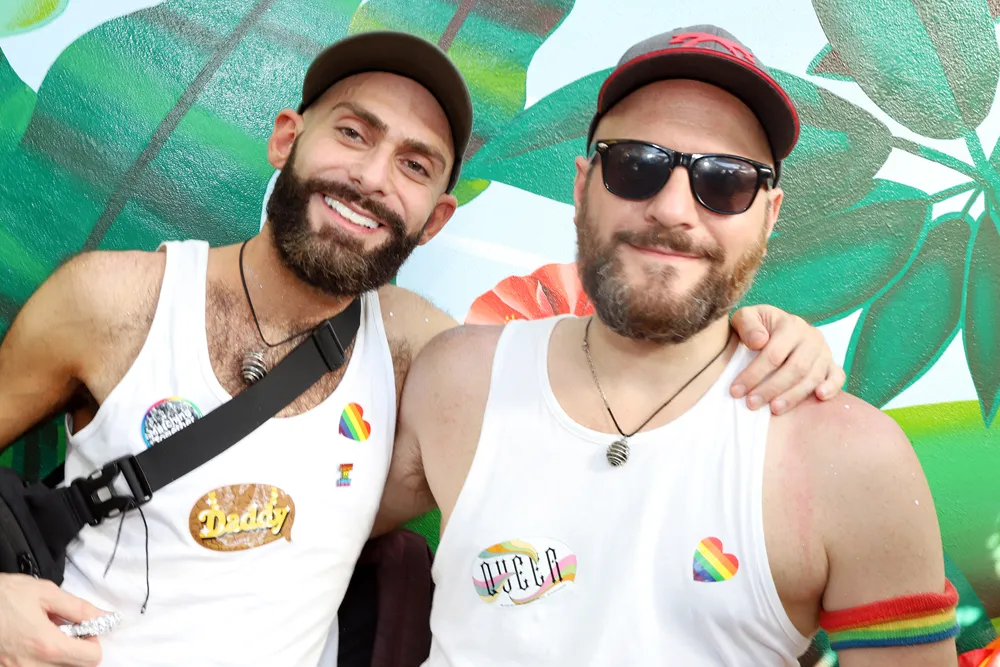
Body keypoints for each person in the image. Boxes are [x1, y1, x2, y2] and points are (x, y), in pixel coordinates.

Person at [0, 29, 844, 667]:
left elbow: (605, 378)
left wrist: (762, 334)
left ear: (436, 218)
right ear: (287, 137)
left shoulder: (425, 353)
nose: (372, 178)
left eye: (414, 164)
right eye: (353, 133)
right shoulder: (115, 299)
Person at [389, 25, 956, 667]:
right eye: (636, 165)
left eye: (727, 181)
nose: (673, 209)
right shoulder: (454, 379)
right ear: (582, 188)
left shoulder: (853, 461)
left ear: (769, 216)